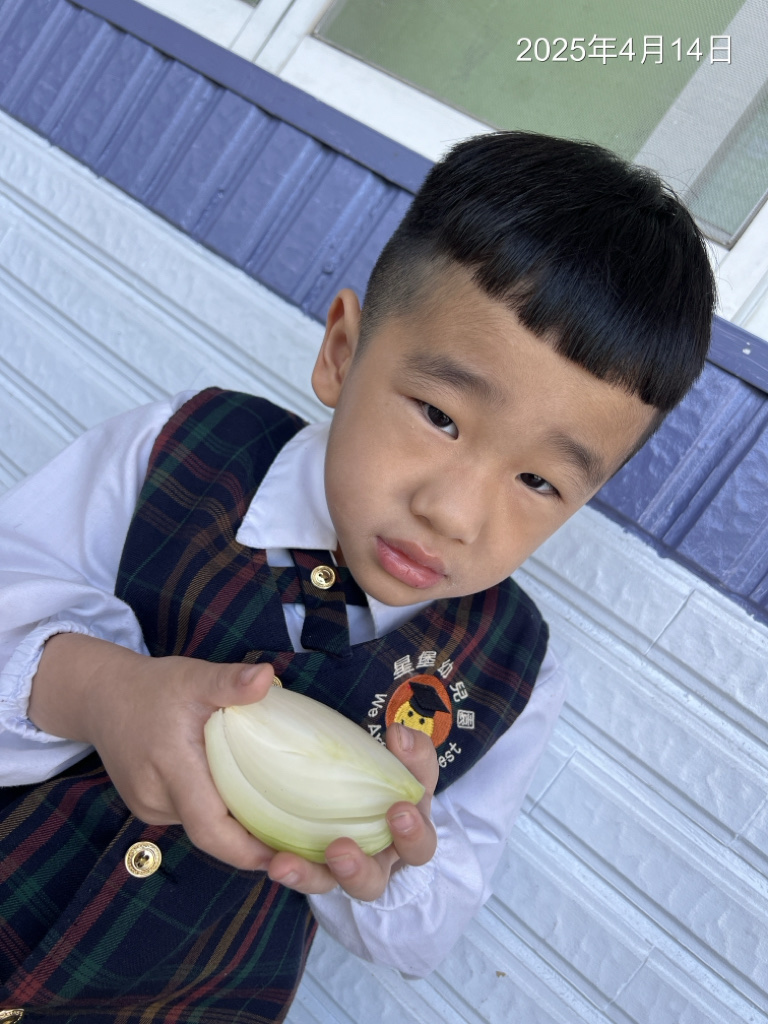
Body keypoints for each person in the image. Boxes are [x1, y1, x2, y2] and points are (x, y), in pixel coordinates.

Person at [0, 131, 715, 1021]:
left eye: (539, 482)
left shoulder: (516, 673)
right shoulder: (183, 449)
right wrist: (99, 691)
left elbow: (428, 930)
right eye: (440, 416)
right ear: (343, 351)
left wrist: (385, 855)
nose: (455, 513)